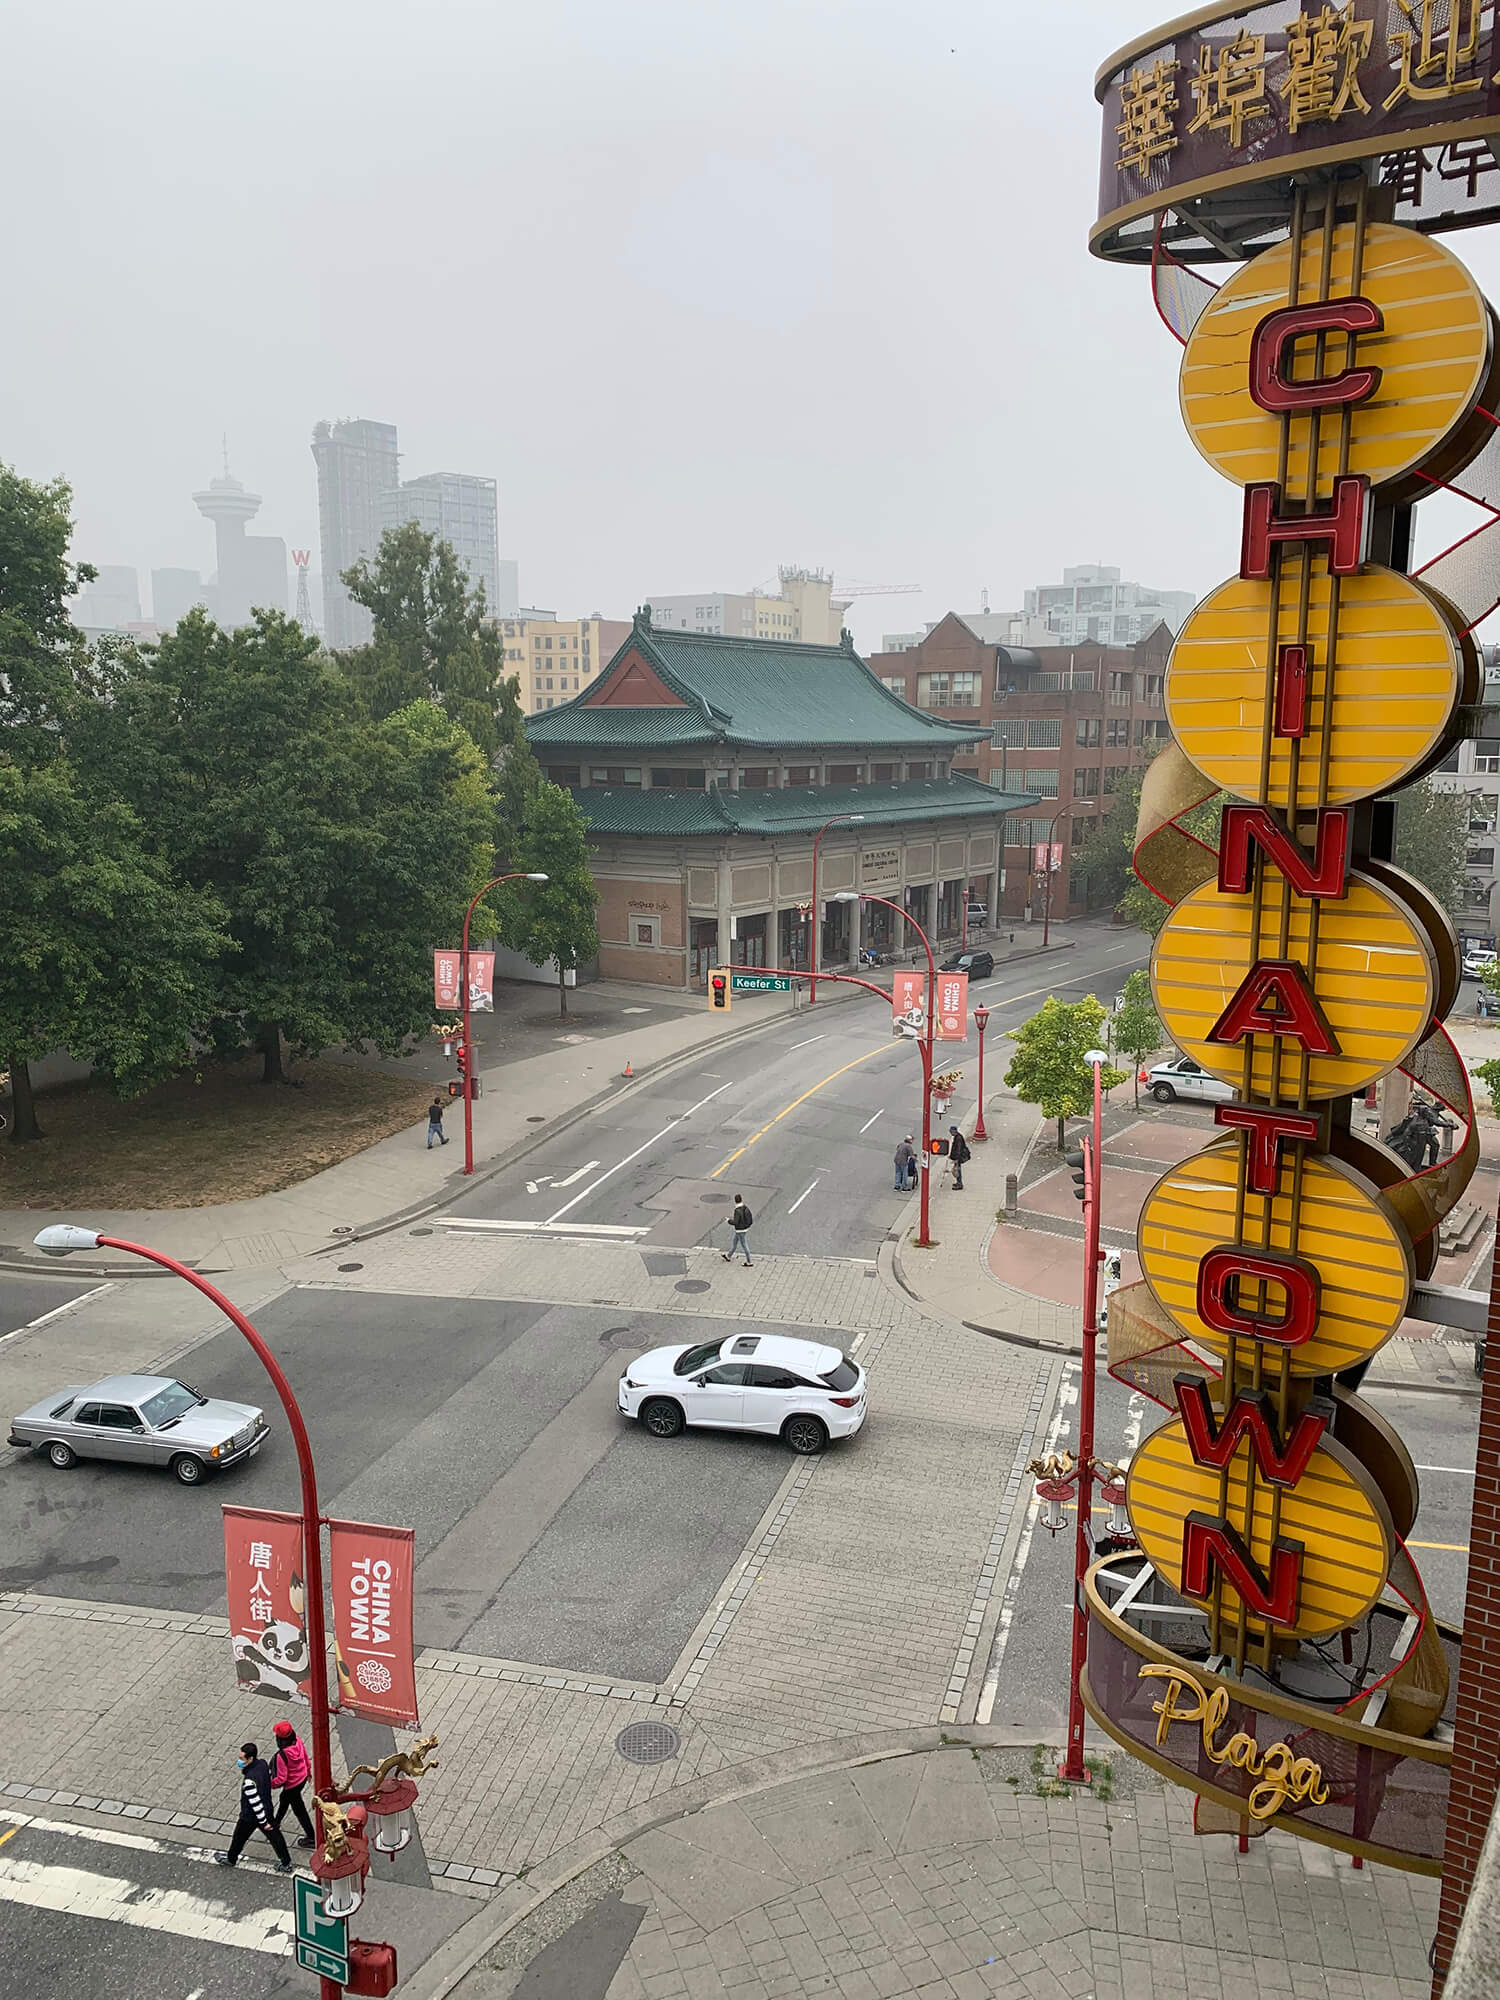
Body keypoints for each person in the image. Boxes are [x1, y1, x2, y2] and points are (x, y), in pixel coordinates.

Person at [214, 1741, 293, 1871]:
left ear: (250, 1759)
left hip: (251, 1815)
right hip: (267, 1808)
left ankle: (231, 1859)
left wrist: (263, 1821)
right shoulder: (262, 1764)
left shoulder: (249, 1781)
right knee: (275, 1837)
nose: (239, 1761)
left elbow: (255, 1803)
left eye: (241, 1758)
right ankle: (286, 1862)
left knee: (239, 1837)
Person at [269, 1718, 316, 1848]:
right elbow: (305, 1756)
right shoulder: (298, 1741)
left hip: (292, 1785)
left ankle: (312, 1837)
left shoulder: (282, 1755)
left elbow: (282, 1778)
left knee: (298, 1809)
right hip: (302, 1779)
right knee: (284, 1799)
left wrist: (269, 1784)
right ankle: (276, 1822)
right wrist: (308, 1770)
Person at [722, 1194, 754, 1267]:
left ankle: (749, 1261)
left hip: (740, 1230)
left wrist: (728, 1220)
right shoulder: (745, 1207)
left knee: (744, 1245)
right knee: (734, 1242)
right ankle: (728, 1256)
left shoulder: (737, 1210)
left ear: (735, 1201)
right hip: (745, 1228)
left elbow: (735, 1222)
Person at [948, 1125, 972, 1191]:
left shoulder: (958, 1138)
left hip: (958, 1157)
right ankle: (958, 1182)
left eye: (951, 1132)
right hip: (957, 1157)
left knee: (957, 1170)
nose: (950, 1133)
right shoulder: (957, 1137)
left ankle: (959, 1183)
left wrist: (956, 1159)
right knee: (957, 1170)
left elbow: (958, 1149)